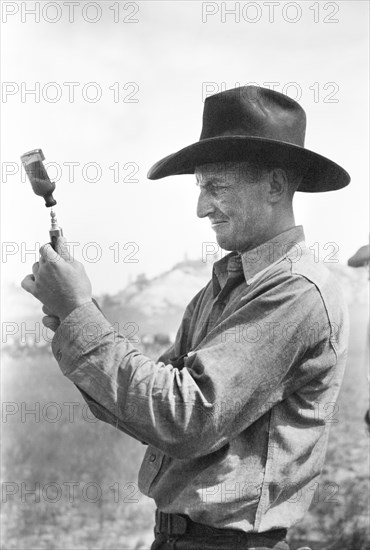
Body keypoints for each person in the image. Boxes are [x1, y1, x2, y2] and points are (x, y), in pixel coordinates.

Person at [22, 86, 351, 550]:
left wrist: (78, 315)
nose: (201, 208)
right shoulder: (219, 291)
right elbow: (148, 405)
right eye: (200, 187)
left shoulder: (297, 291)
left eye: (216, 186)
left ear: (276, 185)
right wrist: (76, 315)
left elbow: (184, 418)